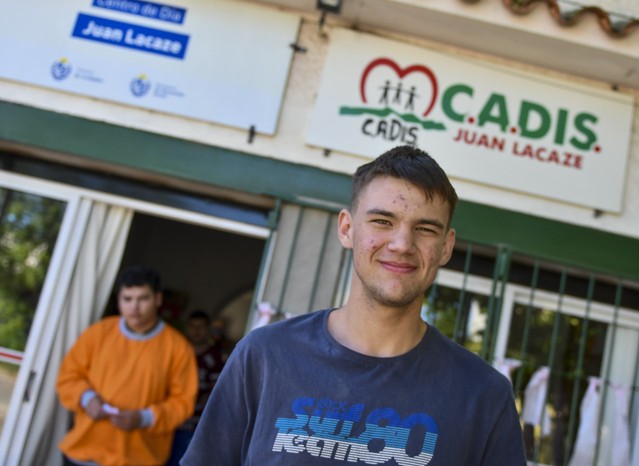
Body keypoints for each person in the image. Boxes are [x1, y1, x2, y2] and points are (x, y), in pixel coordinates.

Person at [181, 145, 526, 465]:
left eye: (424, 229)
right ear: (347, 229)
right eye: (382, 221)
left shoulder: (483, 397)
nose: (402, 243)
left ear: (446, 247)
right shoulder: (264, 358)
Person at [56, 265, 198, 466]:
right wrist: (87, 398)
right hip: (83, 452)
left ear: (157, 299)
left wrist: (144, 418)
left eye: (143, 298)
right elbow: (68, 377)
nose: (134, 307)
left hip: (139, 458)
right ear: (119, 300)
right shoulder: (98, 333)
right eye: (127, 299)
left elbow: (183, 403)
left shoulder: (178, 348)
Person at [166, 310, 227, 466]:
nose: (197, 331)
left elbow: (216, 392)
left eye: (201, 327)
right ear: (187, 328)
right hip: (170, 419)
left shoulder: (214, 357)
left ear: (208, 329)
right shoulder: (177, 351)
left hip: (194, 424)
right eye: (193, 326)